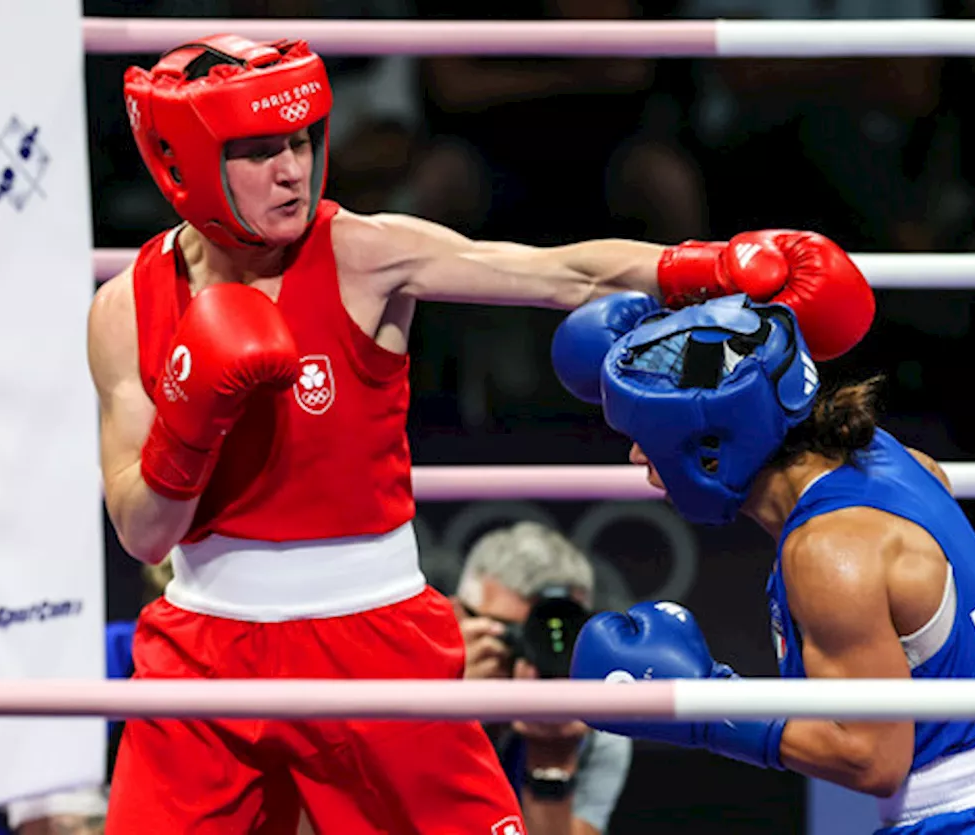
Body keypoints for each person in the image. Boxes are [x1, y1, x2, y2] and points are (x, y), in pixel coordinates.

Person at [87, 32, 873, 834]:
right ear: (183, 161)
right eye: (260, 151)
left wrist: (714, 267)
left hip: (374, 642)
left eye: (302, 140)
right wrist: (194, 416)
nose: (294, 169)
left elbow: (562, 273)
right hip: (205, 652)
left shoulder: (362, 251)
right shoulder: (127, 309)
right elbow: (145, 533)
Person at [551, 292, 975, 833]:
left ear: (711, 447)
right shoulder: (882, 453)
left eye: (649, 435)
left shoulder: (827, 553)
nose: (635, 455)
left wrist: (700, 707)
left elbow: (870, 758)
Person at [454, 521, 632, 835]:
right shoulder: (406, 686)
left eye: (549, 634)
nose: (531, 653)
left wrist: (552, 762)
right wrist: (445, 713)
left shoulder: (596, 719)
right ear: (458, 614)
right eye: (515, 634)